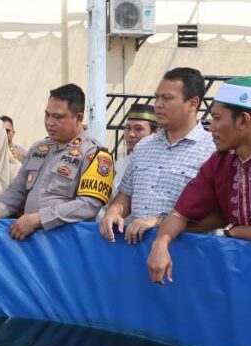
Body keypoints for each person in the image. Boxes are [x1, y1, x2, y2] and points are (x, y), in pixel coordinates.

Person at [0, 84, 114, 240]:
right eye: (47, 115)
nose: (49, 122)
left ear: (79, 118)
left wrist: (39, 219)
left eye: (58, 117)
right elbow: (17, 190)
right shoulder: (39, 149)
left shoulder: (95, 154)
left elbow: (88, 205)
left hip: (67, 245)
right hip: (31, 244)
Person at [147, 76, 251, 285]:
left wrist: (231, 232)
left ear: (243, 121)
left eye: (217, 118)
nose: (211, 127)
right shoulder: (219, 162)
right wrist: (161, 242)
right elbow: (181, 213)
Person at [100, 68, 216, 244]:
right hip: (137, 251)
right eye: (157, 98)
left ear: (193, 103)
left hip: (188, 253)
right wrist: (113, 213)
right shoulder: (144, 146)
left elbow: (217, 216)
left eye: (167, 98)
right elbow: (125, 195)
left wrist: (161, 222)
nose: (158, 104)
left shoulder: (213, 151)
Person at [117, 103, 158, 188]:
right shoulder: (121, 164)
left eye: (138, 129)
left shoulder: (160, 166)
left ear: (155, 133)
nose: (131, 134)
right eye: (128, 128)